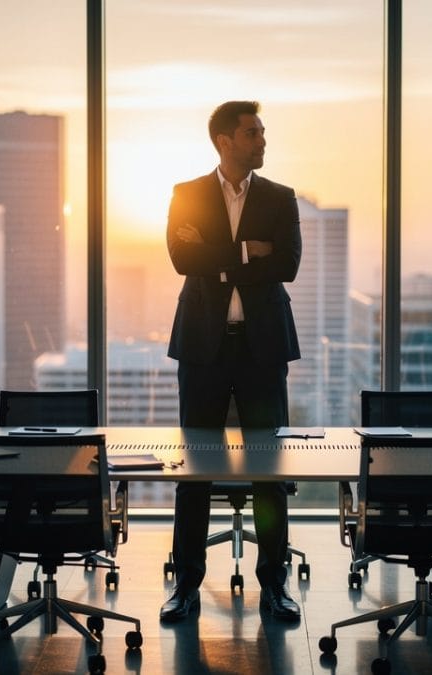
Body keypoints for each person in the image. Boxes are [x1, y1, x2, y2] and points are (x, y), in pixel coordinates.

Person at [161, 100, 303, 623]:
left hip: (262, 349)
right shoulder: (187, 194)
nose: (262, 141)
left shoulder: (280, 198)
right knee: (195, 467)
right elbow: (181, 259)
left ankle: (275, 586)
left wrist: (217, 255)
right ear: (225, 140)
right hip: (203, 347)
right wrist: (247, 255)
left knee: (269, 469)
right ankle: (186, 585)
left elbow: (287, 265)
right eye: (252, 133)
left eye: (263, 132)